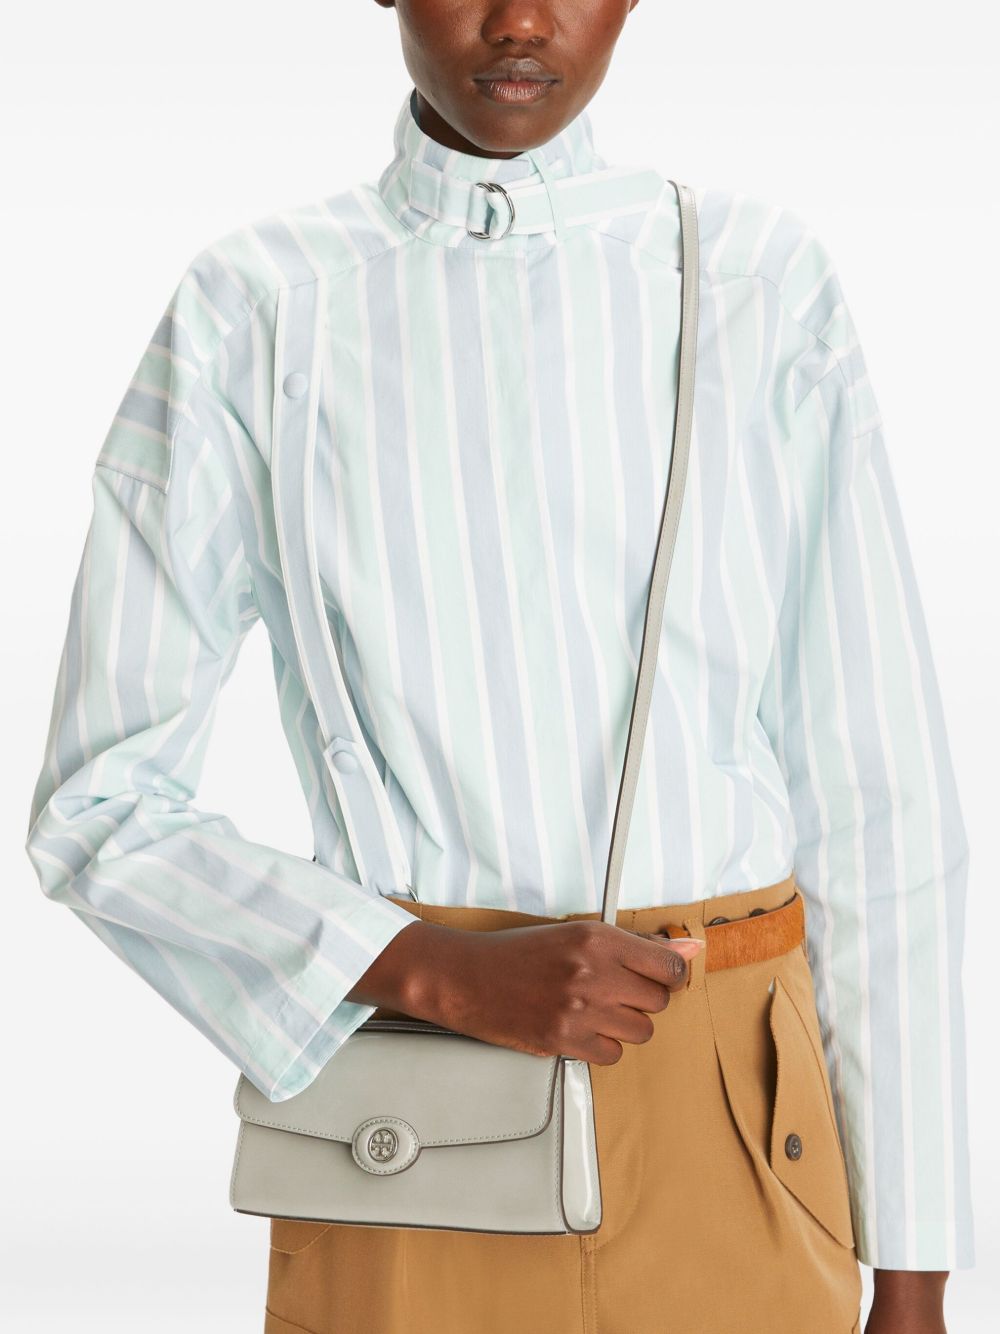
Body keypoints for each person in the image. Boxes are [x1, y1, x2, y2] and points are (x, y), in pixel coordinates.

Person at [24, 2, 973, 1331]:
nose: (520, 18)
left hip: (736, 1103)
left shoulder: (757, 283)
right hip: (412, 1109)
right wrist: (429, 968)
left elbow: (882, 800)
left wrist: (916, 1265)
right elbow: (99, 804)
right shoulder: (257, 308)